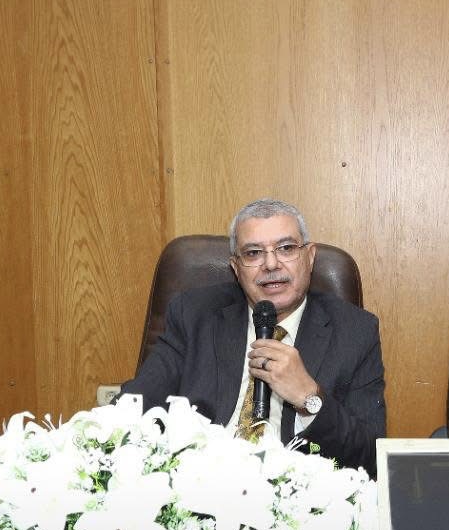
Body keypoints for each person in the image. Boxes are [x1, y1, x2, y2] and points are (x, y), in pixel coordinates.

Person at [121, 199, 386, 475]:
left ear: (309, 257)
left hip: (296, 490)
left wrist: (309, 398)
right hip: (199, 481)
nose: (271, 264)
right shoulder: (193, 314)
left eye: (286, 248)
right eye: (253, 253)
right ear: (236, 268)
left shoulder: (355, 331)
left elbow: (372, 456)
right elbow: (134, 406)